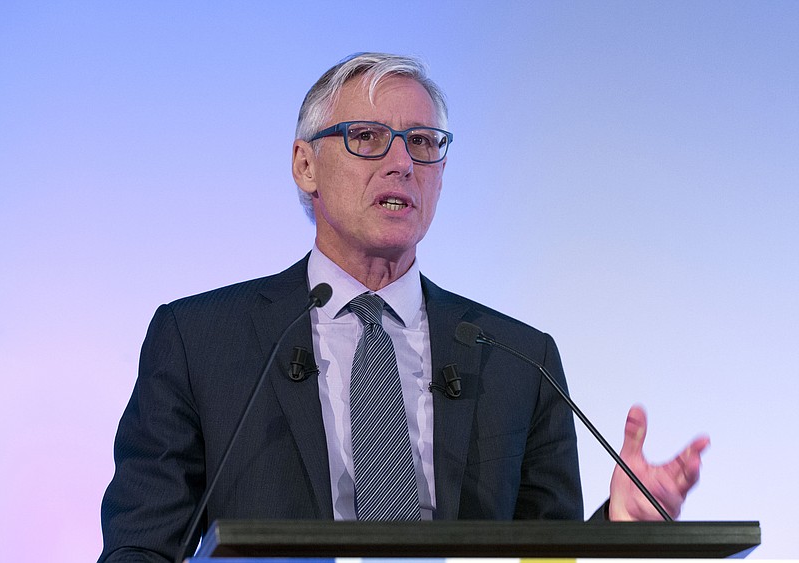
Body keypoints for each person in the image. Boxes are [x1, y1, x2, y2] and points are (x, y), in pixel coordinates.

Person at [99, 52, 709, 562]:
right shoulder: (200, 340)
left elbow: (545, 558)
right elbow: (142, 548)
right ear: (305, 165)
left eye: (422, 143)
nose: (401, 163)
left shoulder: (521, 359)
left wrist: (618, 529)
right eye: (367, 137)